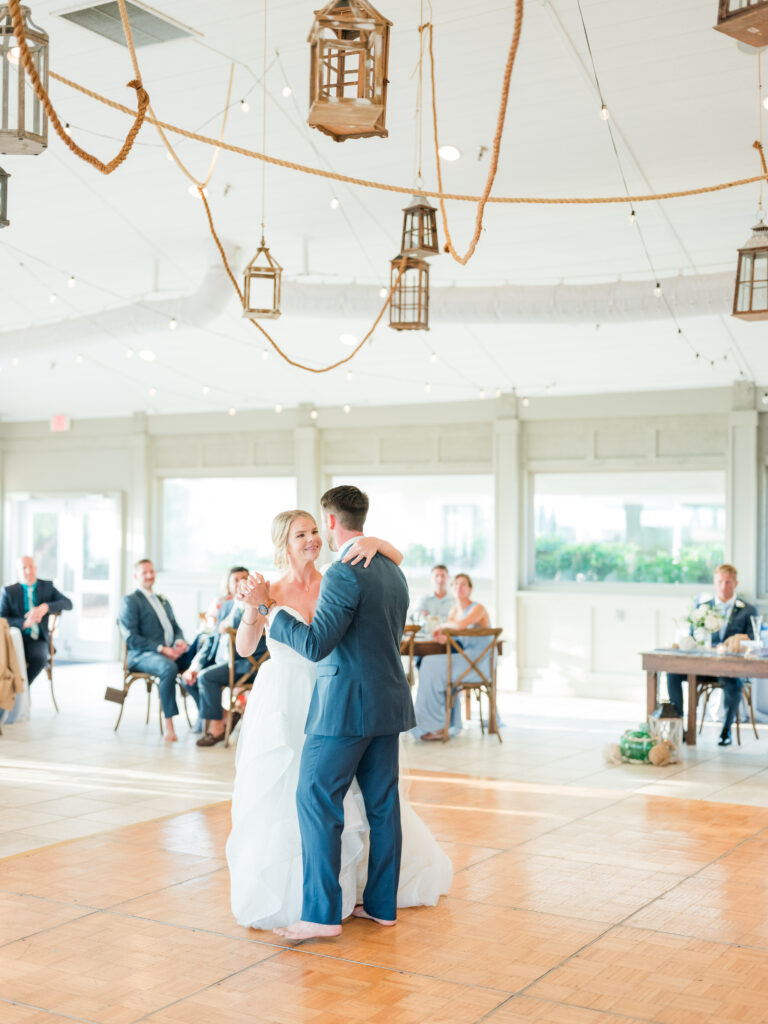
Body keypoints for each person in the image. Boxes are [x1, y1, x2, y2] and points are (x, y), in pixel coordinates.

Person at [227, 497, 452, 939]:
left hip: (336, 702)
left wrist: (375, 540)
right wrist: (255, 607)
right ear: (284, 545)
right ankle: (367, 902)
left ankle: (323, 911)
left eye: (315, 530)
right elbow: (244, 647)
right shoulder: (271, 588)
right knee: (347, 801)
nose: (312, 539)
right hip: (295, 703)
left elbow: (316, 644)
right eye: (301, 534)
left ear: (329, 525)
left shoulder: (340, 574)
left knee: (322, 799)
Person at [667, 563, 757, 746]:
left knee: (734, 682)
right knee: (672, 672)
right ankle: (679, 726)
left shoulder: (747, 610)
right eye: (720, 582)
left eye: (728, 582)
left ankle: (726, 730)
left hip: (731, 668)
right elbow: (693, 638)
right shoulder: (703, 608)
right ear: (715, 583)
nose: (724, 586)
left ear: (736, 583)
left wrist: (735, 645)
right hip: (703, 665)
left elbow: (753, 641)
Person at [190, 565, 268, 747]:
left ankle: (216, 727)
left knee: (206, 678)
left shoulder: (257, 603)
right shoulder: (225, 606)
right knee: (191, 678)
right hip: (223, 661)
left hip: (248, 664)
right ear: (229, 585)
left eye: (245, 578)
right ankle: (225, 716)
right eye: (236, 579)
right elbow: (212, 640)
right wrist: (194, 665)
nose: (241, 582)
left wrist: (231, 626)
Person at [118, 558, 195, 743]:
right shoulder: (131, 601)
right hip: (142, 655)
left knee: (200, 651)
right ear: (136, 576)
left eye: (151, 571)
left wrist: (179, 641)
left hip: (171, 652)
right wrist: (161, 649)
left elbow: (176, 626)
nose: (149, 575)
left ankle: (209, 718)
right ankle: (169, 725)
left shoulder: (162, 600)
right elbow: (130, 637)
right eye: (144, 572)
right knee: (168, 668)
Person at [413, 572, 491, 741]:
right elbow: (455, 640)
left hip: (477, 663)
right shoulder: (453, 611)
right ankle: (437, 723)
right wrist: (442, 638)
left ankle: (435, 725)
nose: (459, 587)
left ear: (470, 589)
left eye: (463, 584)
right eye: (456, 584)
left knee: (430, 665)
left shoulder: (478, 608)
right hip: (462, 658)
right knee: (428, 662)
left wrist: (442, 625)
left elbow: (461, 626)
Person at [0, 556, 72, 686]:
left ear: (36, 568)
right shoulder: (8, 591)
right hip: (14, 639)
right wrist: (23, 623)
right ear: (18, 571)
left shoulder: (47, 587)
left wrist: (46, 607)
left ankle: (20, 689)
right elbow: (2, 619)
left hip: (37, 639)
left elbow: (68, 603)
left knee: (40, 658)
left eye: (31, 567)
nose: (28, 571)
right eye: (24, 568)